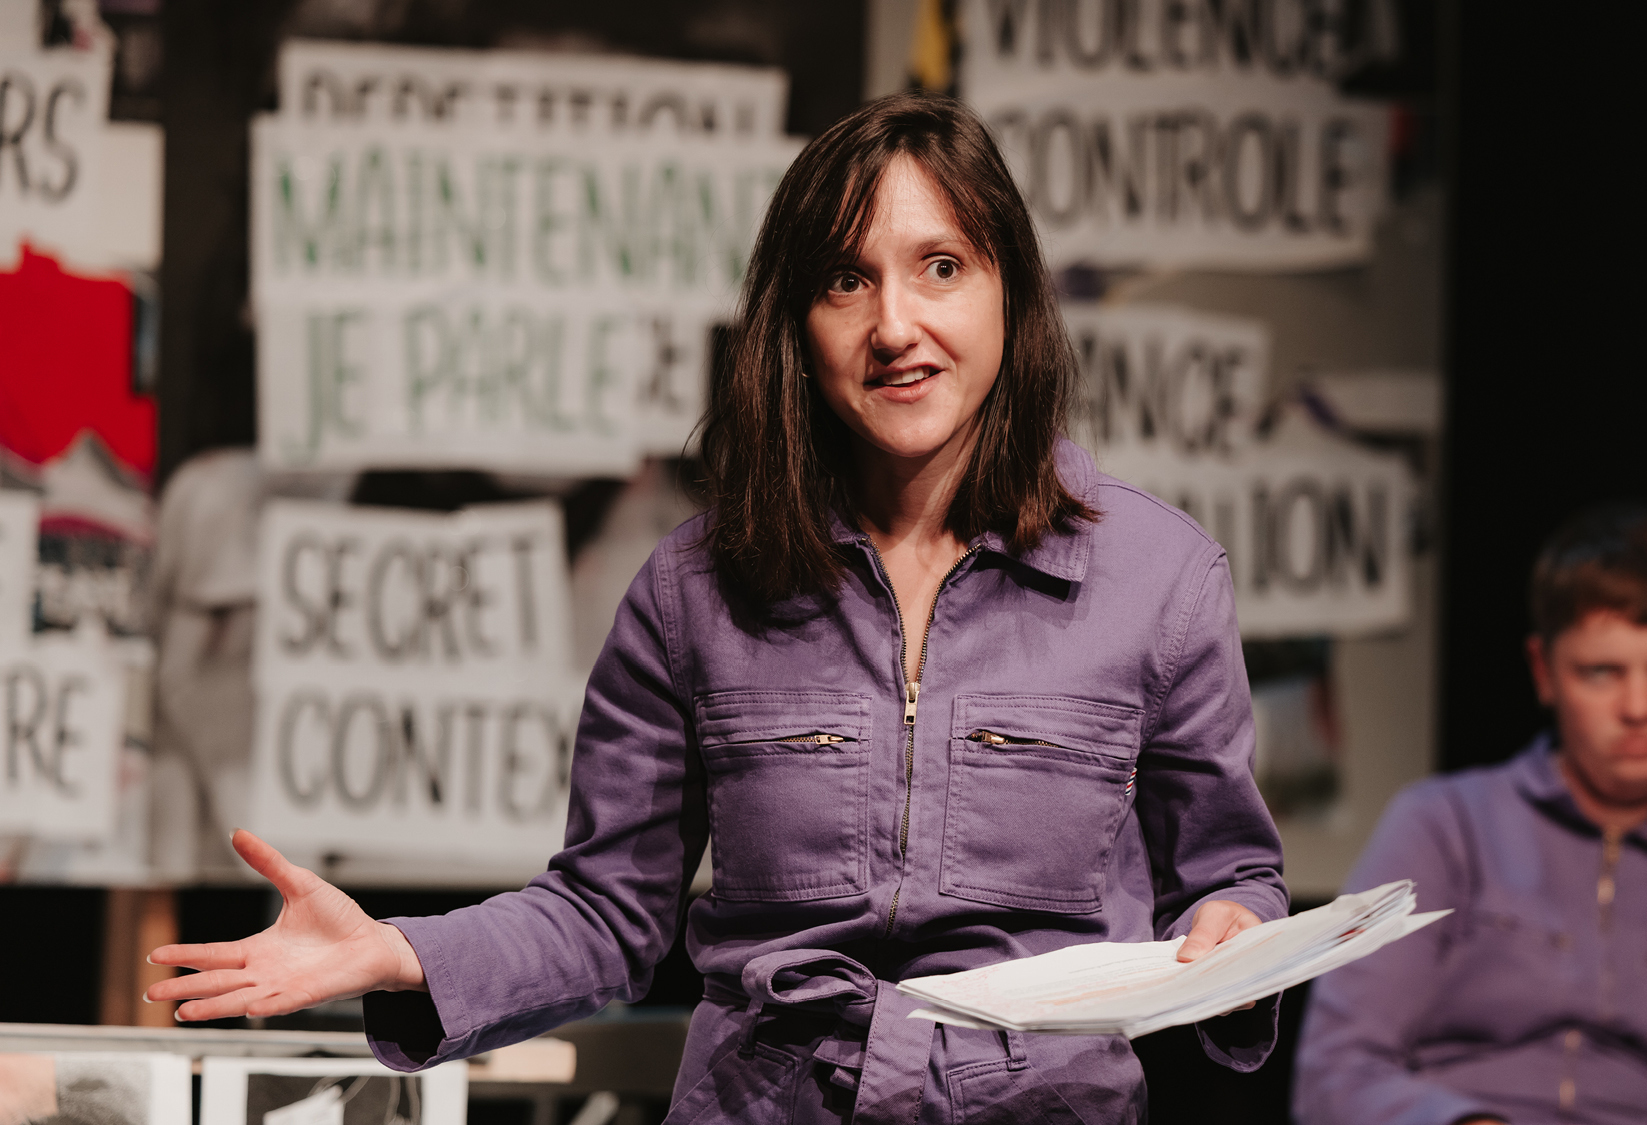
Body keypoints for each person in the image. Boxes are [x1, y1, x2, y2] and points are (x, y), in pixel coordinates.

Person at [144, 92, 1288, 1123]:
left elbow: (1227, 879)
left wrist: (1235, 932)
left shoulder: (1158, 577)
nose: (894, 324)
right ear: (793, 321)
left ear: (1009, 294)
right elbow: (607, 913)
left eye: (940, 267)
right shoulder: (696, 588)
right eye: (845, 281)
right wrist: (401, 952)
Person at [1292, 505, 1647, 1125]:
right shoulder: (1445, 829)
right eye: (1602, 672)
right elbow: (1334, 1072)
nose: (1638, 707)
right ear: (1545, 672)